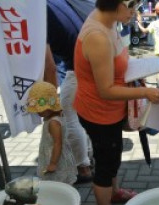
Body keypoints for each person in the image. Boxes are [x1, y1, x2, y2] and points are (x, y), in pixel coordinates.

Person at [73, 0, 159, 205]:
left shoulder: (109, 20)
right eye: (131, 6)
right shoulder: (97, 36)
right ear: (114, 4)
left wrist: (136, 69)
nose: (135, 12)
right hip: (99, 113)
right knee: (106, 164)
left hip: (109, 111)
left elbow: (114, 63)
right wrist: (145, 93)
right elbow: (105, 90)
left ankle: (114, 193)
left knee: (112, 156)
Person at [45, 0, 94, 184]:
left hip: (77, 69)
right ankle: (88, 157)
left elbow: (49, 67)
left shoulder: (37, 13)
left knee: (69, 118)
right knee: (84, 117)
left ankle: (84, 168)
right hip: (89, 63)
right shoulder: (55, 3)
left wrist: (50, 106)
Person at [26, 82, 77, 185]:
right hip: (51, 154)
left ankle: (62, 197)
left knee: (58, 182)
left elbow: (58, 143)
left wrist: (53, 163)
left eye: (41, 109)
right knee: (55, 182)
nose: (38, 112)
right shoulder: (50, 118)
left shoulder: (53, 123)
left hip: (56, 158)